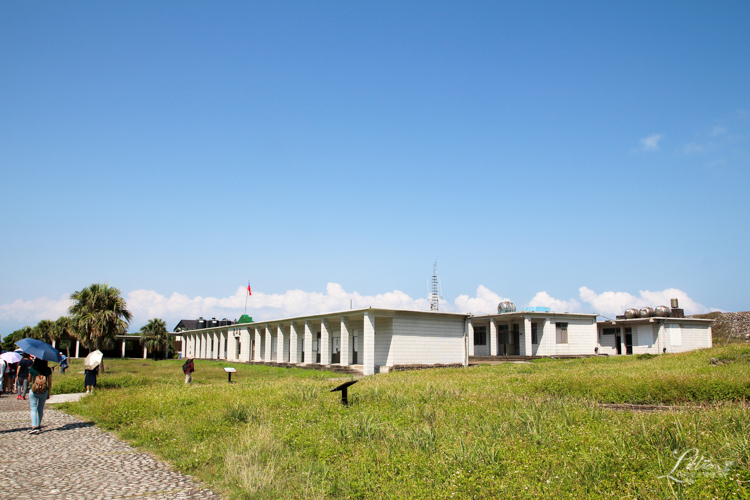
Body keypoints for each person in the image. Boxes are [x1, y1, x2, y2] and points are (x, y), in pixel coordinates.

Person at [28, 358, 52, 434]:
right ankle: (38, 425)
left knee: (33, 408)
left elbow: (29, 380)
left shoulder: (32, 368)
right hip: (44, 391)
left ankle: (34, 426)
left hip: (34, 390)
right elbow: (50, 382)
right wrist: (48, 393)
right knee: (40, 408)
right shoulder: (48, 369)